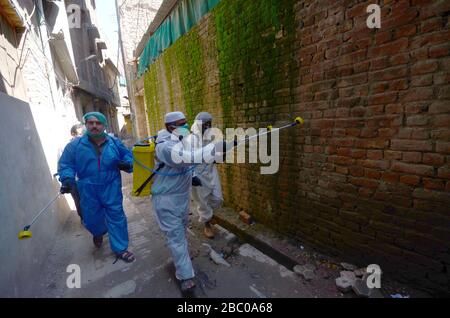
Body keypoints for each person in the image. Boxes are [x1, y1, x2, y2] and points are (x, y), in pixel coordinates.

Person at [151, 111, 231, 293]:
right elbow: (187, 158)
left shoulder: (180, 140)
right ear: (169, 127)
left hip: (180, 197)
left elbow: (188, 164)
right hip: (166, 199)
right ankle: (186, 276)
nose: (185, 126)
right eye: (181, 124)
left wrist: (193, 175)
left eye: (185, 123)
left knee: (181, 232)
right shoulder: (164, 146)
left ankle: (183, 256)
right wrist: (216, 148)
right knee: (176, 238)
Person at [58, 112, 135, 263]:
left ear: (104, 125)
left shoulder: (114, 142)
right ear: (86, 125)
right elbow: (66, 164)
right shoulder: (75, 145)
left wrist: (127, 163)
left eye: (98, 123)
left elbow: (128, 156)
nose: (94, 126)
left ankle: (120, 249)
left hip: (111, 185)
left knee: (116, 216)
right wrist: (67, 179)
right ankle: (98, 232)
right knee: (92, 219)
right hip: (88, 188)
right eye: (91, 123)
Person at [188, 112, 223, 239]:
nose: (208, 126)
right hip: (198, 173)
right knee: (202, 201)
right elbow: (186, 160)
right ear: (198, 125)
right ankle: (207, 225)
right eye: (205, 124)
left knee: (217, 198)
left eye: (209, 123)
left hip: (211, 171)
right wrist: (192, 176)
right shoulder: (190, 140)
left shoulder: (212, 137)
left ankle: (209, 214)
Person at [69, 123, 84, 221]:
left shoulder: (89, 146)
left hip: (87, 180)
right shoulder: (66, 148)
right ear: (72, 134)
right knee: (79, 202)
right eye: (78, 134)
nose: (80, 136)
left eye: (82, 134)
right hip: (74, 181)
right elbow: (63, 165)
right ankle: (84, 219)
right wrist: (66, 178)